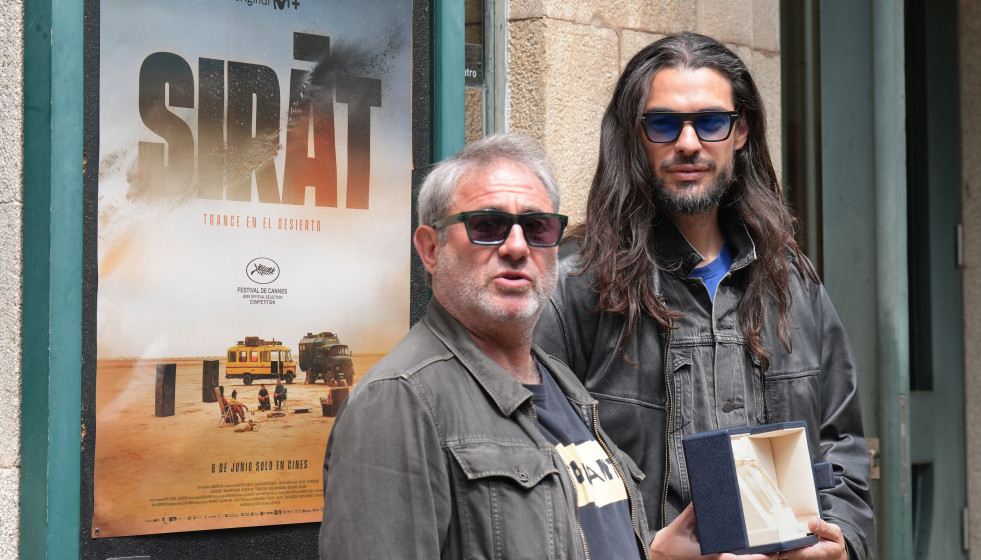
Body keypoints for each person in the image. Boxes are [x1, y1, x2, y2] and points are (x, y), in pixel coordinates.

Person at [534, 32, 874, 560]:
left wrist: (840, 543)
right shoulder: (574, 285)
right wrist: (647, 553)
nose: (688, 143)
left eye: (711, 122)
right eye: (663, 123)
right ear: (634, 135)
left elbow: (842, 450)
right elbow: (536, 480)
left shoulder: (791, 284)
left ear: (741, 132)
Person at [320, 134, 652, 559]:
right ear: (431, 249)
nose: (516, 247)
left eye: (537, 227)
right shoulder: (397, 400)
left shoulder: (561, 383)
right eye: (488, 226)